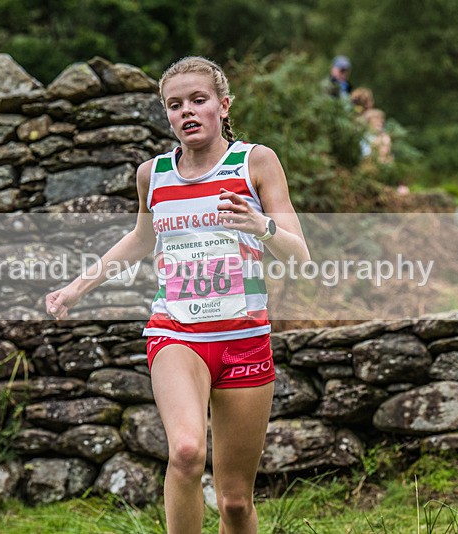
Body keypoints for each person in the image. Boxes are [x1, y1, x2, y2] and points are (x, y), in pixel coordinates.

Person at [46, 56, 310, 534]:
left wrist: (260, 225)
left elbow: (300, 255)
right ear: (166, 115)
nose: (186, 111)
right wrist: (77, 287)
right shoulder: (154, 175)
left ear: (223, 105)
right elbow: (140, 239)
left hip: (244, 338)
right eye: (174, 104)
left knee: (234, 502)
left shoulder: (256, 162)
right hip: (176, 333)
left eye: (198, 100)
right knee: (187, 452)